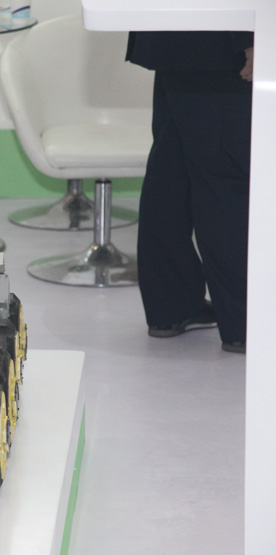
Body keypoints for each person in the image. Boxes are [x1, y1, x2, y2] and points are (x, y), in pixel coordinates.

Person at [126, 31, 253, 354]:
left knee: (172, 174)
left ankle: (172, 307)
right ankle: (244, 322)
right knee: (224, 178)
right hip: (218, 43)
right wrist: (249, 39)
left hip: (174, 36)